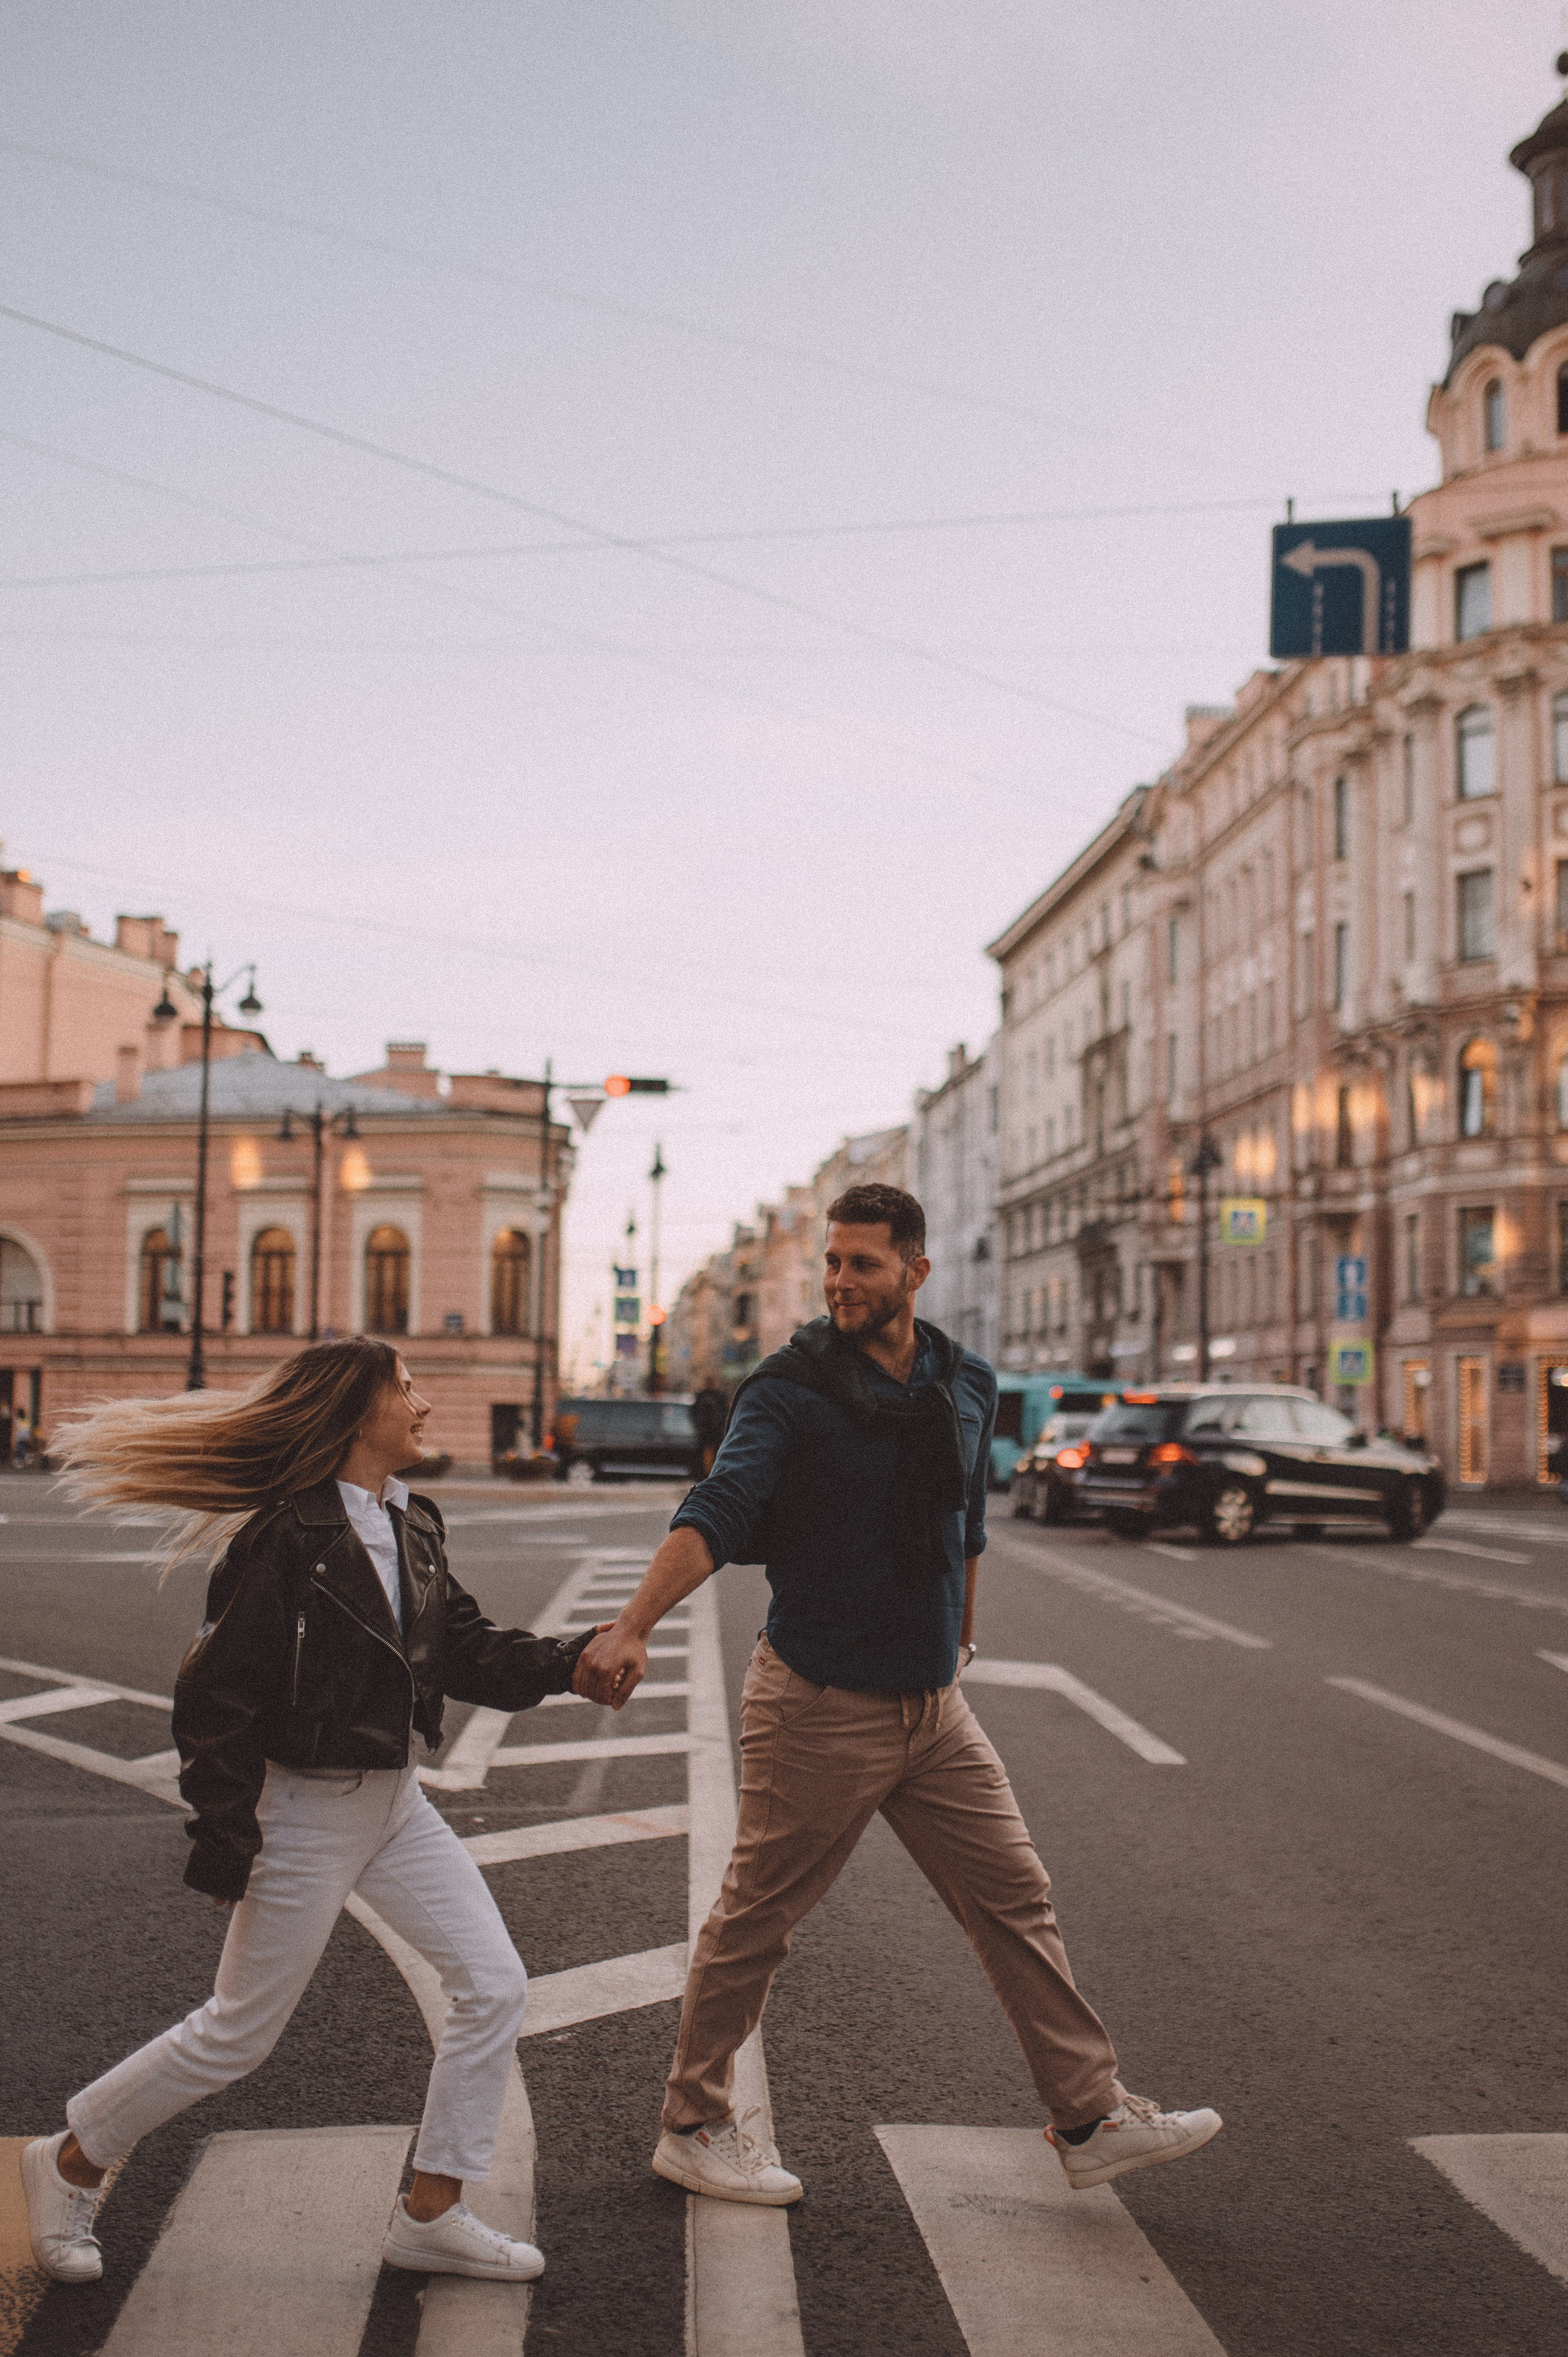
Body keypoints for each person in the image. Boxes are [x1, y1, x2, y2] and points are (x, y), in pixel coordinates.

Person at [577, 1183, 1221, 2206]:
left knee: (1015, 1898)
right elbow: (721, 1504)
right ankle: (692, 2122)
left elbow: (963, 1520)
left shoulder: (963, 1380)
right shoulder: (787, 1388)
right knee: (758, 1918)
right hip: (821, 1696)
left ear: (914, 1272)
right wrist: (633, 1621)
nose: (841, 1280)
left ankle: (1088, 2115)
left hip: (933, 1706)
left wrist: (957, 1636)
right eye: (834, 1261)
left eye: (863, 1263)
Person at [23, 1338, 595, 2287]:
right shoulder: (285, 1538)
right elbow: (216, 1700)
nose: (422, 1403)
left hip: (394, 1802)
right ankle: (70, 2159)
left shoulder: (413, 1525)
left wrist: (573, 1663)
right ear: (354, 1412)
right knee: (239, 2033)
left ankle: (432, 2212)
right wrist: (225, 1839)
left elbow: (466, 1649)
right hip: (304, 1807)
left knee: (492, 1985)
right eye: (405, 1389)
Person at [690, 1377, 728, 1477]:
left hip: (706, 1428)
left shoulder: (702, 1395)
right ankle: (714, 1473)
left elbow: (693, 1412)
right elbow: (725, 1411)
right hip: (714, 1428)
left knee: (703, 1452)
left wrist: (697, 1425)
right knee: (716, 1452)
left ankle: (703, 1474)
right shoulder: (718, 1396)